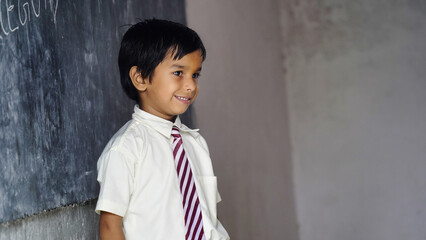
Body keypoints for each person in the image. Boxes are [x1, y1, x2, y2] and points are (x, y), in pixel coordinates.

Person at [95, 19, 230, 240]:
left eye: (195, 75)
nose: (190, 85)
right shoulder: (126, 148)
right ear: (140, 78)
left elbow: (208, 217)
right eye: (179, 73)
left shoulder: (195, 143)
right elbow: (110, 226)